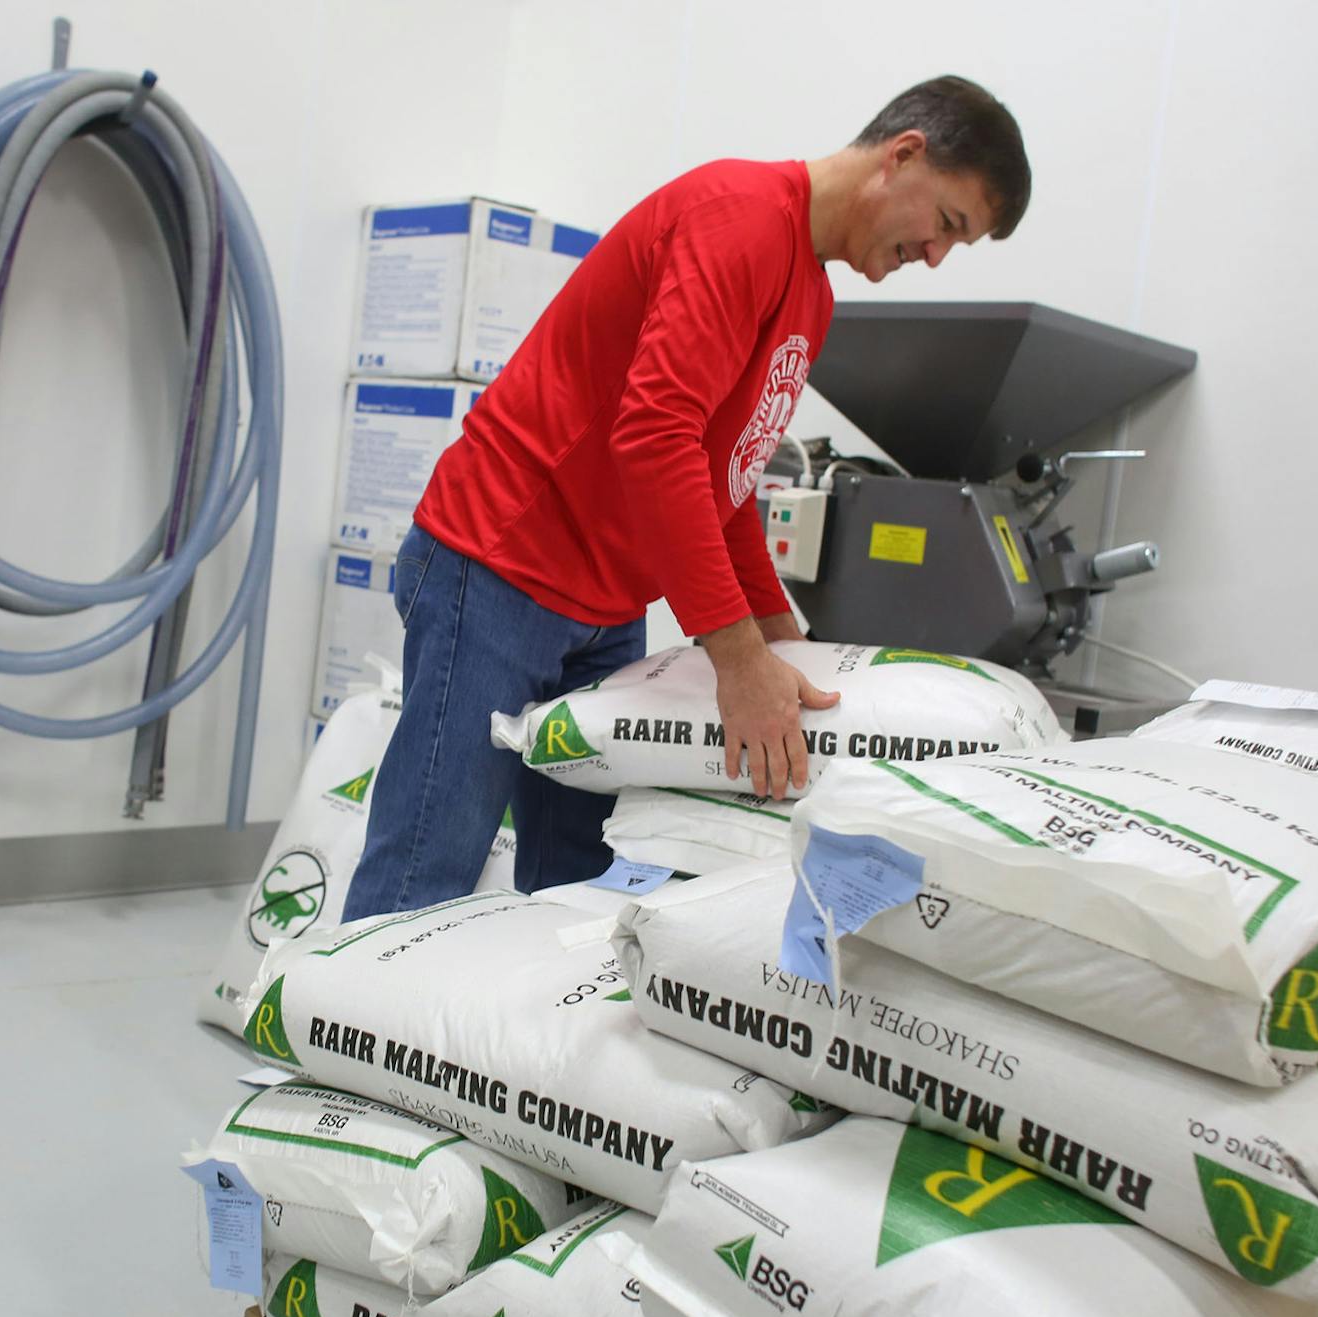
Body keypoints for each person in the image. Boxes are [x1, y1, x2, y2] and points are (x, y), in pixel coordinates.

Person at [341, 76, 1031, 921]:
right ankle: (324, 1050)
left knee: (576, 892)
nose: (933, 257)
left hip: (605, 602)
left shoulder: (810, 295)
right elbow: (655, 437)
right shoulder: (739, 218)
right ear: (904, 156)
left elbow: (726, 479)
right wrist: (738, 663)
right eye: (948, 225)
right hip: (500, 563)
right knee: (425, 869)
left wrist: (793, 648)